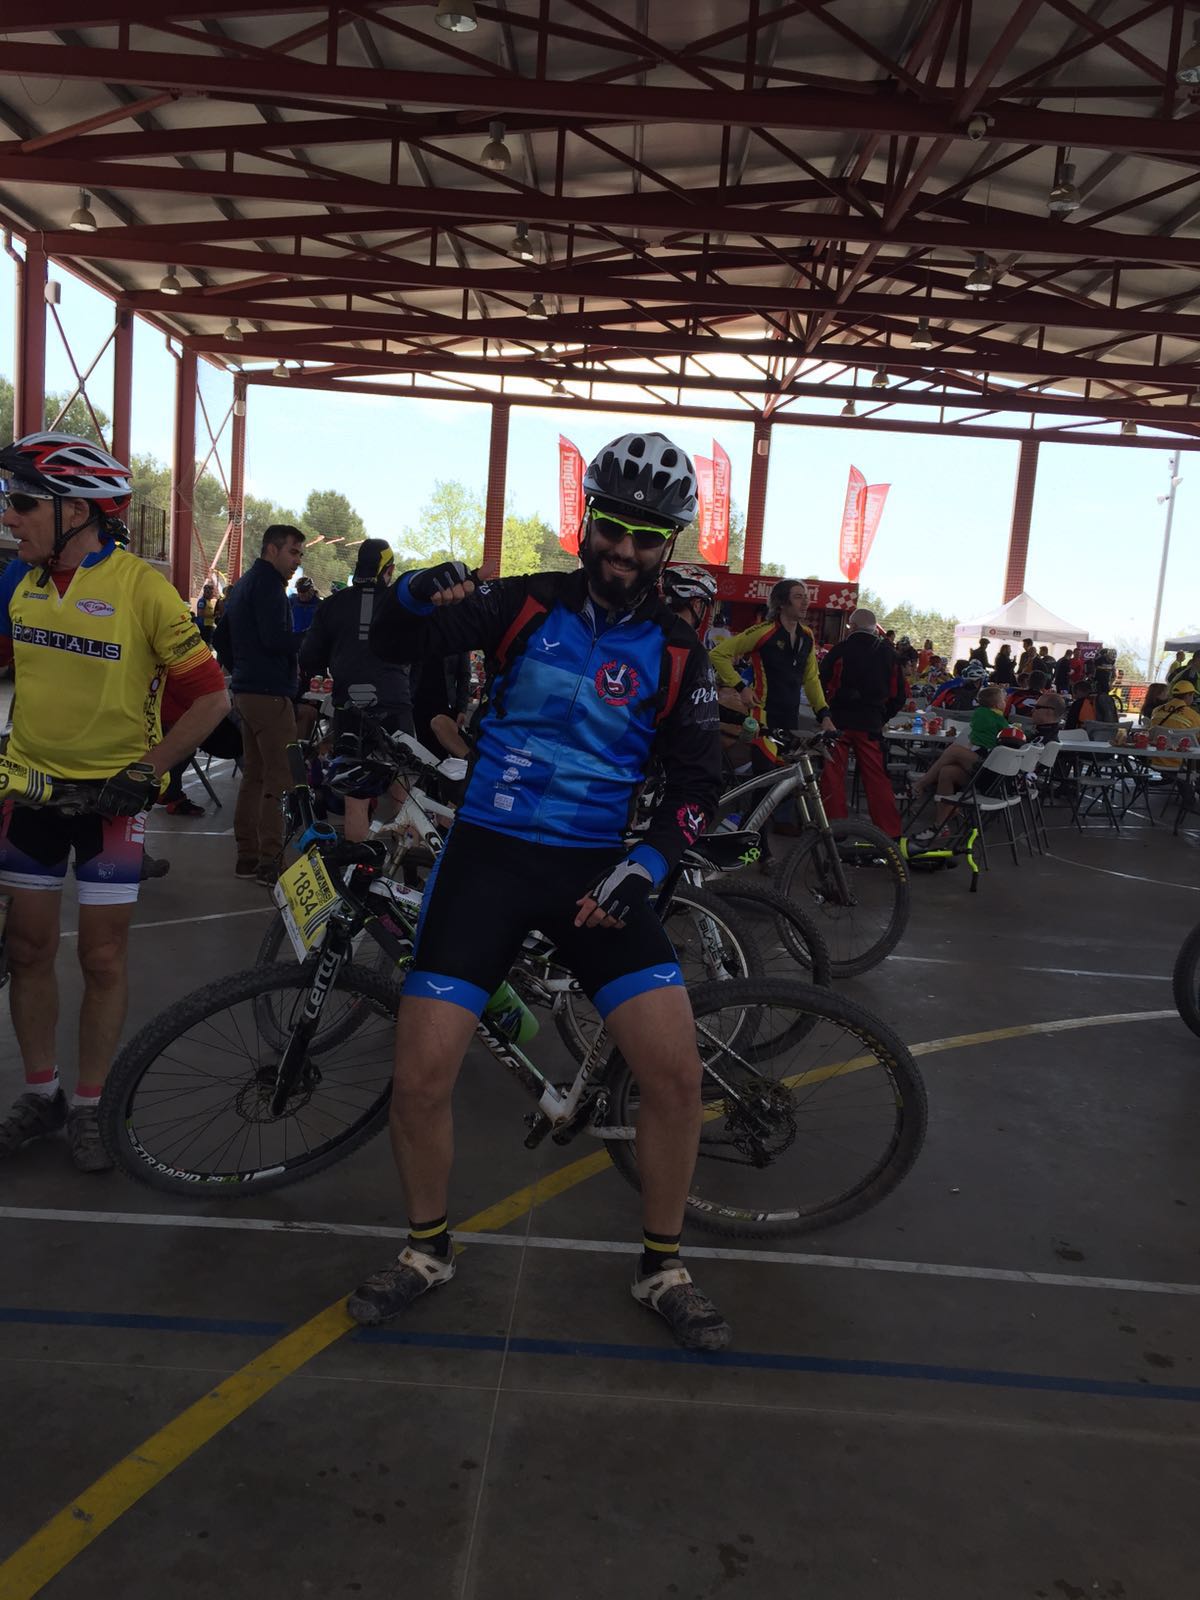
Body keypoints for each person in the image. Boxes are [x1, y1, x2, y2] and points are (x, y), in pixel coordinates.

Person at [353, 430, 731, 1351]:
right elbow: (393, 642)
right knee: (419, 1079)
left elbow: (696, 790)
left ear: (669, 545)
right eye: (611, 528)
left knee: (677, 1079)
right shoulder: (523, 603)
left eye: (647, 536)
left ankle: (663, 1266)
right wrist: (411, 591)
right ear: (585, 522)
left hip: (594, 874)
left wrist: (646, 867)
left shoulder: (678, 652)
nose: (624, 550)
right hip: (485, 861)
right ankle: (426, 1250)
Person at [0, 431, 228, 1170]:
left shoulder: (142, 589)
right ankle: (42, 1093)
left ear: (78, 512)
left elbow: (212, 699)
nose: (9, 516)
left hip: (111, 804)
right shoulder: (16, 582)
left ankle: (92, 1105)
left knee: (101, 957)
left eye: (23, 501)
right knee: (26, 949)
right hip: (30, 794)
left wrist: (148, 771)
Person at [298, 538, 414, 843]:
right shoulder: (399, 604)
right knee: (403, 789)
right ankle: (407, 862)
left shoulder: (332, 605)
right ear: (388, 569)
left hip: (350, 705)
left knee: (356, 796)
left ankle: (358, 865)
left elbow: (309, 657)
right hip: (393, 702)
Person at [214, 523, 306, 885]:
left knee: (254, 774)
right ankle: (270, 861)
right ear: (272, 549)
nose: (297, 561)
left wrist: (241, 671)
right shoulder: (268, 585)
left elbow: (221, 638)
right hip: (269, 694)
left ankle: (248, 857)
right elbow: (274, 639)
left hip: (247, 692)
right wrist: (309, 638)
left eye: (300, 554)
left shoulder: (244, 585)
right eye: (293, 552)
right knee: (280, 777)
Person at [709, 577, 836, 760]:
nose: (805, 602)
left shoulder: (807, 635)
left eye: (806, 597)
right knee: (767, 774)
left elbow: (811, 679)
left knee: (786, 775)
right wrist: (741, 688)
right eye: (798, 597)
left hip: (791, 719)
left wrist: (824, 715)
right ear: (781, 603)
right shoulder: (763, 632)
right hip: (763, 717)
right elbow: (717, 654)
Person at [817, 608, 905, 840]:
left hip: (838, 724)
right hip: (871, 725)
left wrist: (825, 714)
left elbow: (820, 684)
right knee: (877, 779)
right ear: (875, 628)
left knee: (833, 776)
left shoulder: (840, 650)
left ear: (852, 627)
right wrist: (882, 717)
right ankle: (889, 834)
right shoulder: (889, 654)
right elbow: (900, 694)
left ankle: (835, 830)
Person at [909, 684, 1011, 837]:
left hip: (991, 777)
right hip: (982, 771)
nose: (1006, 702)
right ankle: (940, 826)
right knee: (946, 772)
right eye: (1003, 700)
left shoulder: (989, 717)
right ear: (997, 705)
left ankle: (919, 785)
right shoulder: (994, 718)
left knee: (954, 751)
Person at [1149, 678, 1200, 771]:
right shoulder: (1193, 715)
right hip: (1181, 761)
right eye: (1193, 695)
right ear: (1188, 695)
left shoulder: (1156, 710)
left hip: (1155, 758)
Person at [195, 579, 222, 644]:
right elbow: (200, 613)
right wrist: (212, 615)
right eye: (210, 593)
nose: (212, 595)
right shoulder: (202, 601)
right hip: (204, 626)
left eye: (212, 593)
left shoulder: (209, 601)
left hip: (209, 625)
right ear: (205, 592)